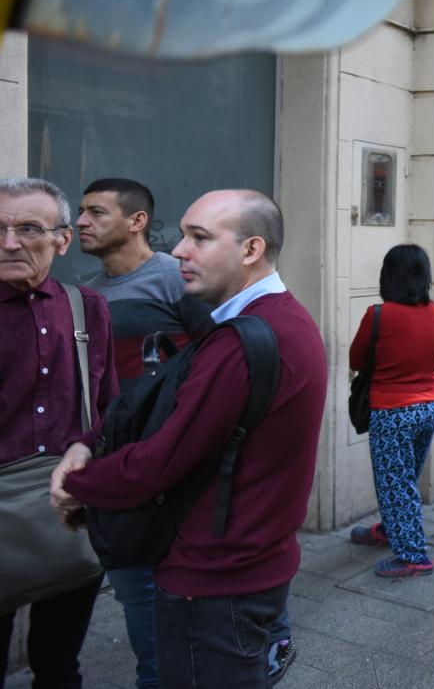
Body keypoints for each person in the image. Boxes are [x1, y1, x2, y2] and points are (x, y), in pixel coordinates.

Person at [53, 189, 327, 689]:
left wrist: (78, 484)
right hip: (244, 570)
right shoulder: (266, 323)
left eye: (199, 238)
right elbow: (160, 399)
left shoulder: (246, 340)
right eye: (182, 235)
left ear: (251, 250)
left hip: (217, 584)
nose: (179, 250)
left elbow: (158, 461)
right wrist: (91, 441)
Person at [76, 178, 224, 689]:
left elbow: (216, 361)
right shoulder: (86, 296)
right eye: (80, 211)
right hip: (119, 468)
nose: (81, 222)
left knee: (197, 591)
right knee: (137, 591)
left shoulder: (175, 278)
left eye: (96, 212)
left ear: (137, 221)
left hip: (180, 464)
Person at [1, 178, 117, 688]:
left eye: (28, 228)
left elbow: (108, 405)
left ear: (62, 239)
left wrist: (85, 447)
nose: (9, 243)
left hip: (68, 509)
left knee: (59, 664)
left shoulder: (85, 306)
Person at [348, 244, 434, 578]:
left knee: (396, 484)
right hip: (429, 405)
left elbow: (355, 360)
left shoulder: (380, 314)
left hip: (393, 411)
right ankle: (392, 530)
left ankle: (415, 556)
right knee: (404, 480)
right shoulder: (432, 310)